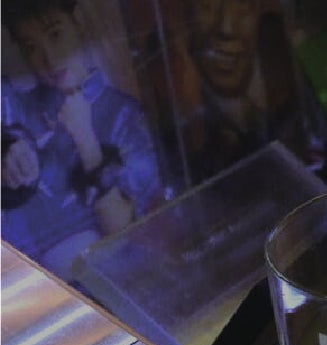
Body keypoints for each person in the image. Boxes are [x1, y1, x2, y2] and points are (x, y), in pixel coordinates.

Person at [1, 0, 163, 282]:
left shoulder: (124, 115)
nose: (48, 59)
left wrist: (86, 140)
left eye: (55, 34)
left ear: (79, 24)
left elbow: (127, 230)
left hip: (106, 288)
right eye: (31, 47)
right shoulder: (17, 108)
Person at [174, 0, 304, 182]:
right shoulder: (180, 111)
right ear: (186, 13)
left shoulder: (280, 51)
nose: (227, 29)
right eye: (207, 6)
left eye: (244, 5)